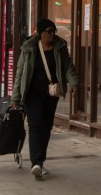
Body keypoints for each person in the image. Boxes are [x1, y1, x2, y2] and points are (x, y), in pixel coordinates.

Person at [11, 18, 79, 180]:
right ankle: (36, 162)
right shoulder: (29, 49)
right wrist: (16, 97)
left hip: (51, 94)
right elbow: (20, 73)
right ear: (40, 33)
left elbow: (67, 67)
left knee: (46, 127)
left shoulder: (60, 47)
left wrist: (74, 83)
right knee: (35, 126)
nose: (52, 34)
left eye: (54, 31)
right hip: (32, 94)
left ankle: (40, 161)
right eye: (49, 31)